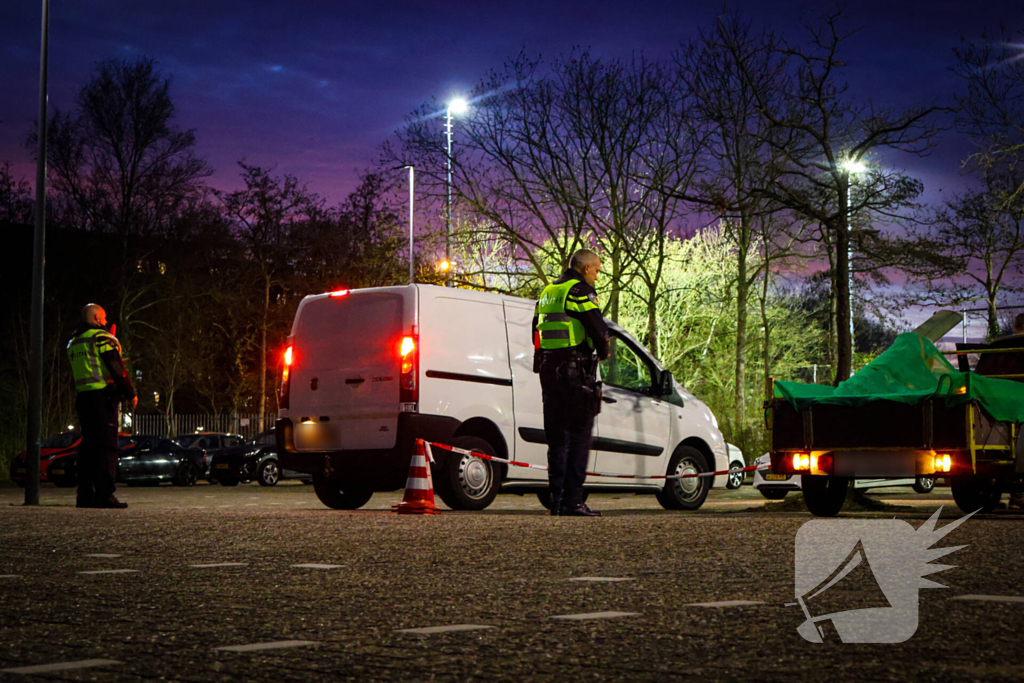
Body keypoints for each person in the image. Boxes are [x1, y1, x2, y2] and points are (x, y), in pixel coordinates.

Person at [532, 249, 610, 517]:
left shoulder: (547, 292)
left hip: (548, 372)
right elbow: (599, 330)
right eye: (597, 270)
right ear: (586, 268)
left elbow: (537, 333)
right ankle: (573, 501)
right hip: (575, 371)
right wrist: (604, 352)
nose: (597, 276)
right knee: (579, 434)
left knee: (556, 438)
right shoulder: (580, 291)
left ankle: (556, 500)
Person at [66, 304, 137, 509]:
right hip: (103, 396)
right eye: (104, 318)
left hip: (83, 397)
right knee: (106, 447)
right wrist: (129, 392)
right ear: (97, 317)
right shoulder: (102, 338)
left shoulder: (74, 341)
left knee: (88, 447)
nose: (106, 321)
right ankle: (105, 495)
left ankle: (85, 495)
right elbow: (116, 368)